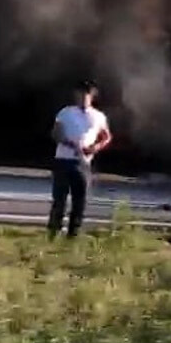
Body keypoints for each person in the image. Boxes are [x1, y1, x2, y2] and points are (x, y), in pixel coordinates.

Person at [48, 80, 111, 239]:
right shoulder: (66, 112)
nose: (83, 98)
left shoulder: (98, 116)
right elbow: (56, 133)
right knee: (60, 200)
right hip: (64, 159)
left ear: (92, 97)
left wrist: (95, 148)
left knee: (80, 201)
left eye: (86, 95)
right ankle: (53, 232)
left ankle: (73, 234)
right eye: (80, 94)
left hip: (83, 162)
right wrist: (71, 144)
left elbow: (106, 136)